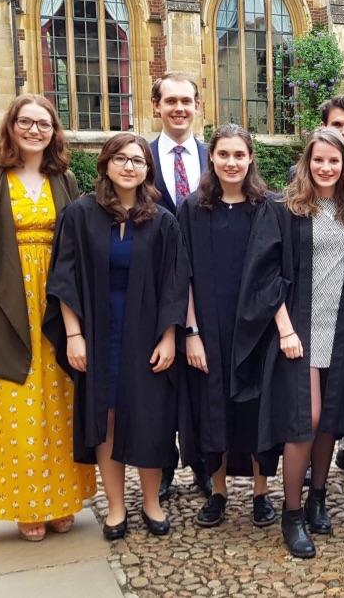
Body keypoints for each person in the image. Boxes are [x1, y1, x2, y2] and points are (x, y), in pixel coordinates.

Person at [0, 94, 96, 542]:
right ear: (11, 127)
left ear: (54, 132)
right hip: (3, 301)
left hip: (54, 302)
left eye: (44, 124)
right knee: (14, 405)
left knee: (59, 403)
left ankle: (60, 500)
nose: (35, 131)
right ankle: (26, 504)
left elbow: (78, 242)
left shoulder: (64, 178)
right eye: (27, 122)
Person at [44, 133, 189, 540]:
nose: (130, 167)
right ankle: (115, 507)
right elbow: (64, 277)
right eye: (122, 159)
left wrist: (167, 337)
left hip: (146, 333)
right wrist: (74, 335)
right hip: (98, 332)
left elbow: (176, 283)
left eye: (138, 161)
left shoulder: (162, 220)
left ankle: (151, 502)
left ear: (148, 170)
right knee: (107, 418)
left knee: (148, 417)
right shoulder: (80, 215)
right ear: (106, 164)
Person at [240, 128, 344, 558]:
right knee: (304, 421)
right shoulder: (284, 210)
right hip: (299, 330)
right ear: (306, 164)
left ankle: (318, 497)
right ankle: (291, 514)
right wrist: (285, 329)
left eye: (334, 160)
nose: (326, 168)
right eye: (318, 161)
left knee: (328, 419)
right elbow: (265, 275)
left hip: (340, 328)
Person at [176, 124, 279, 529]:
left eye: (239, 155)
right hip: (209, 329)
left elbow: (275, 272)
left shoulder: (268, 207)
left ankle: (260, 492)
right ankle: (218, 492)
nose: (232, 163)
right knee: (213, 408)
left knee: (256, 411)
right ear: (211, 158)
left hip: (256, 329)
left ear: (250, 158)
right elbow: (181, 276)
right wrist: (192, 332)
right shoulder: (192, 209)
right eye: (224, 155)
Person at [146, 71, 212, 500]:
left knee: (201, 382)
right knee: (159, 379)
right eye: (170, 101)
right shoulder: (141, 158)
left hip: (204, 288)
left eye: (186, 101)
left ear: (196, 106)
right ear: (157, 106)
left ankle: (205, 464)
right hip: (152, 287)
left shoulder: (216, 156)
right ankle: (163, 463)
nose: (179, 109)